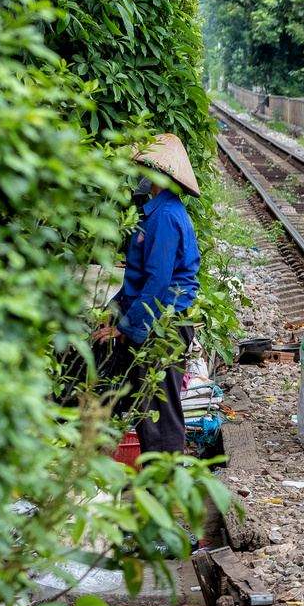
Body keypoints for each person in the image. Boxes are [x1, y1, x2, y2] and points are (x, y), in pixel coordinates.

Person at [91, 134, 202, 454]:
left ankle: (164, 492)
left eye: (143, 166)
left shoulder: (165, 217)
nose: (138, 172)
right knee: (147, 414)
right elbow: (138, 281)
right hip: (155, 324)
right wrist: (114, 309)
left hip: (163, 328)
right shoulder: (154, 212)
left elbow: (156, 284)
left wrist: (125, 329)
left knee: (160, 420)